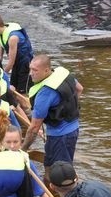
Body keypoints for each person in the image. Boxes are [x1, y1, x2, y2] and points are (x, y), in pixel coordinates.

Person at [21, 54, 83, 183]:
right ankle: (50, 188)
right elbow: (79, 89)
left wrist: (23, 149)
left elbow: (34, 128)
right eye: (30, 69)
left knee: (62, 174)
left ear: (47, 70)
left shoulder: (44, 93)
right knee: (49, 166)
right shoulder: (62, 73)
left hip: (61, 136)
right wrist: (70, 108)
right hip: (72, 127)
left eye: (35, 70)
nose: (31, 74)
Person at [4, 126, 60, 197]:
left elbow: (39, 189)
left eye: (15, 142)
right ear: (1, 142)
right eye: (8, 142)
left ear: (21, 143)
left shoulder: (25, 161)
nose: (12, 146)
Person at [0, 13, 35, 94]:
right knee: (12, 86)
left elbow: (11, 62)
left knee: (22, 90)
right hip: (16, 63)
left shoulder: (12, 38)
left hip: (25, 63)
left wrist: (0, 75)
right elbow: (0, 54)